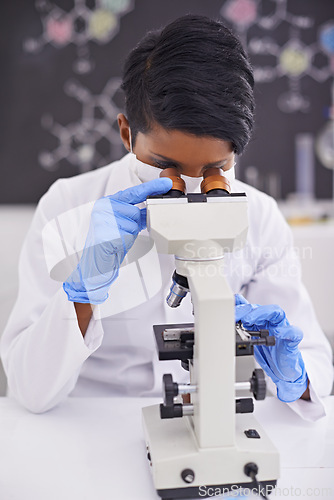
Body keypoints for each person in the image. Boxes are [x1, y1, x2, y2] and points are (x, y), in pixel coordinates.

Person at [1, 15, 332, 417]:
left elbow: (315, 366)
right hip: (92, 424)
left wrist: (294, 376)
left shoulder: (259, 216)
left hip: (211, 412)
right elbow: (27, 389)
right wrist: (82, 292)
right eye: (167, 167)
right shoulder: (67, 206)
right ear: (126, 134)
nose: (192, 188)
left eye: (216, 171)